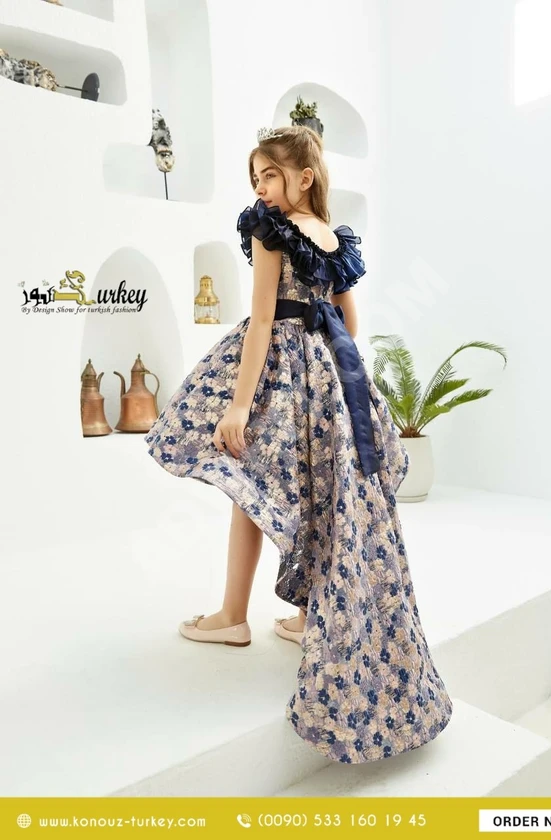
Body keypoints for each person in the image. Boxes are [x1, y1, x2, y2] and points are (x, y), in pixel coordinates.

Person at [144, 125, 453, 763]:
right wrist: (324, 351)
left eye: (270, 175)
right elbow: (350, 322)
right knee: (322, 492)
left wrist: (238, 405)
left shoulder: (271, 231)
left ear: (303, 177)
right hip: (329, 375)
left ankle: (232, 615)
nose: (260, 188)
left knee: (251, 482)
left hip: (280, 373)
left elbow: (262, 318)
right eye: (256, 177)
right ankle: (314, 615)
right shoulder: (334, 238)